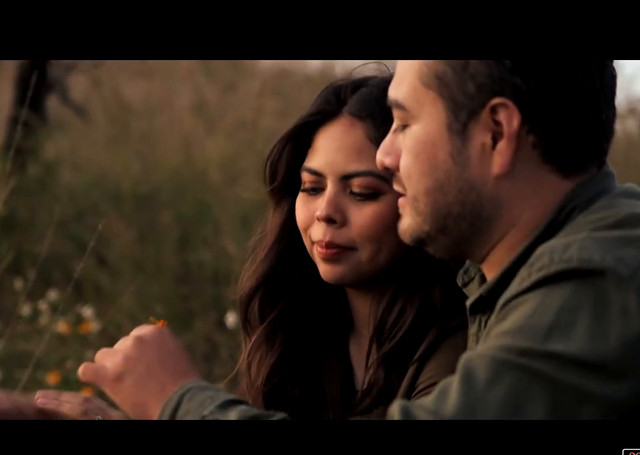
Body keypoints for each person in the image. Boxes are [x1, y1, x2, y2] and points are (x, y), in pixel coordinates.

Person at [54, 59, 640, 421]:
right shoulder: (519, 276)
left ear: (495, 133)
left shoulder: (596, 275)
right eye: (311, 187)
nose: (389, 154)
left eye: (405, 124)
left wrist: (176, 400)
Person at [29, 73, 467, 420]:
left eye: (362, 192)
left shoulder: (461, 347)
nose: (325, 212)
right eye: (311, 187)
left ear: (416, 198)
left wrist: (177, 401)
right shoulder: (301, 329)